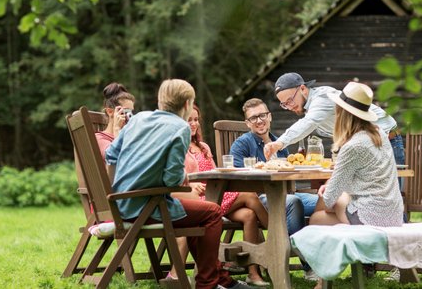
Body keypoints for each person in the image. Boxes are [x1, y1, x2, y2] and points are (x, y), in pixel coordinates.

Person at [105, 79, 252, 289]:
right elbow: (172, 181)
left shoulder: (138, 119)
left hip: (121, 203)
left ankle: (222, 280)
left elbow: (111, 155)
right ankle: (208, 284)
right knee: (212, 213)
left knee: (197, 217)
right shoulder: (180, 127)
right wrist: (181, 173)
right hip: (146, 206)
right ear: (186, 105)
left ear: (160, 101)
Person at [308, 82, 404, 289]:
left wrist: (328, 191)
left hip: (372, 218)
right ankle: (323, 278)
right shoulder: (379, 134)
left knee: (317, 216)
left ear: (342, 113)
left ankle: (320, 279)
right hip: (393, 214)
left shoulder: (352, 146)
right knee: (332, 198)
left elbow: (329, 201)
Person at [169, 104, 270, 287]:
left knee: (249, 214)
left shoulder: (203, 146)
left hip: (215, 195)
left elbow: (215, 173)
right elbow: (175, 176)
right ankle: (277, 241)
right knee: (250, 196)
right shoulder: (178, 146)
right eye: (189, 120)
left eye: (196, 120)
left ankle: (252, 272)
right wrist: (191, 183)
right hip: (199, 199)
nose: (193, 124)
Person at [229, 98, 319, 281]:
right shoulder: (242, 144)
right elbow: (237, 179)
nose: (259, 120)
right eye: (253, 118)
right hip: (261, 197)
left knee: (324, 201)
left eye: (262, 115)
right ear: (247, 123)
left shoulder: (280, 143)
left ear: (270, 117)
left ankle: (336, 257)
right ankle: (308, 265)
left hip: (288, 193)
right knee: (293, 203)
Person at [263, 73, 405, 179]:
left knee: (389, 197)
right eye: (284, 104)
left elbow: (308, 123)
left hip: (386, 140)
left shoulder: (322, 98)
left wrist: (279, 143)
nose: (289, 107)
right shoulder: (310, 105)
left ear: (303, 89)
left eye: (290, 100)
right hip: (365, 146)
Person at [95, 82, 135, 159]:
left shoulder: (128, 137)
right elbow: (114, 158)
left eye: (131, 112)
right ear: (110, 112)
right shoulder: (99, 138)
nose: (129, 116)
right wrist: (117, 129)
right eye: (126, 111)